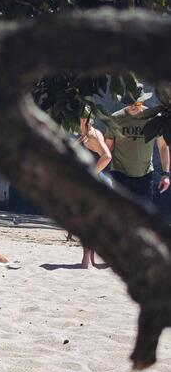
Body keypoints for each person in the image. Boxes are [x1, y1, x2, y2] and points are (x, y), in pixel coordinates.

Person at [102, 87, 170, 207]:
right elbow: (107, 148)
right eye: (130, 103)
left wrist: (166, 174)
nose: (133, 106)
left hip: (145, 176)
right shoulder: (116, 118)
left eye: (137, 103)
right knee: (119, 213)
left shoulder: (153, 118)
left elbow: (163, 147)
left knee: (143, 217)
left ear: (143, 101)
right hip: (120, 175)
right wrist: (102, 173)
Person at [75, 111, 112, 269]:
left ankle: (86, 261)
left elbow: (107, 156)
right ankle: (90, 260)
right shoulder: (84, 134)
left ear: (84, 119)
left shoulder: (92, 135)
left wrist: (91, 175)